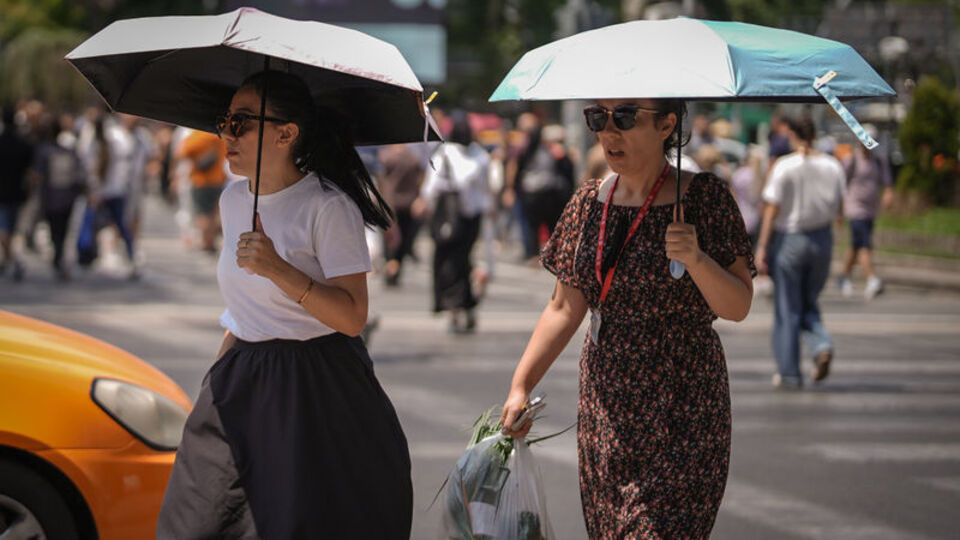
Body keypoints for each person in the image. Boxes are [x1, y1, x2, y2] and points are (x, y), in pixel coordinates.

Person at [157, 70, 412, 539]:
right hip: (240, 376)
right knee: (198, 519)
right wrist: (214, 380)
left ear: (286, 133)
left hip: (315, 384)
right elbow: (243, 312)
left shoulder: (327, 207)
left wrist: (278, 268)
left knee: (299, 522)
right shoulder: (233, 200)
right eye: (224, 122)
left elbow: (352, 317)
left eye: (240, 123)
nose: (226, 134)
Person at [500, 98, 755, 538]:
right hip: (606, 405)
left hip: (685, 406)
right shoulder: (587, 203)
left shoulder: (705, 199)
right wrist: (521, 385)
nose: (608, 132)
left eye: (625, 117)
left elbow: (738, 305)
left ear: (667, 125)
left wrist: (695, 259)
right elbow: (563, 307)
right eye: (598, 117)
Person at [755, 116, 845, 389]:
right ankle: (821, 344)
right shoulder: (832, 165)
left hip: (790, 239)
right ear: (815, 136)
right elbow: (840, 209)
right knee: (808, 302)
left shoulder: (785, 165)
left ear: (792, 136)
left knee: (787, 308)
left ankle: (789, 372)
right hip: (822, 238)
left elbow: (771, 208)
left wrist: (762, 246)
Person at [420, 110, 492, 333]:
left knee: (455, 262)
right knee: (457, 261)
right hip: (460, 217)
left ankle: (458, 304)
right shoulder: (476, 155)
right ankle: (461, 304)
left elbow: (431, 187)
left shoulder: (449, 153)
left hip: (456, 218)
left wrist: (427, 204)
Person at [837, 125, 894, 299]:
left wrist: (888, 194)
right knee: (864, 244)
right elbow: (841, 185)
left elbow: (887, 183)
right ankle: (872, 279)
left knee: (856, 245)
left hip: (870, 209)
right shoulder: (852, 160)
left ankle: (844, 277)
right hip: (854, 207)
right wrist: (839, 210)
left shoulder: (878, 161)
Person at [30, 116, 86, 280]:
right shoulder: (69, 151)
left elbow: (37, 175)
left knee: (55, 229)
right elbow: (79, 172)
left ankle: (59, 256)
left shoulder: (44, 151)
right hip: (67, 196)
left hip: (51, 197)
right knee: (63, 230)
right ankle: (59, 257)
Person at [377, 143, 425, 286]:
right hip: (407, 203)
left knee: (389, 237)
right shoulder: (413, 158)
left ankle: (390, 262)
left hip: (389, 202)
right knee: (403, 237)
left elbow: (380, 181)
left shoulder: (385, 156)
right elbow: (420, 179)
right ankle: (395, 264)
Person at [177, 128, 228, 253]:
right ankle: (211, 241)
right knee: (214, 213)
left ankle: (206, 241)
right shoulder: (220, 134)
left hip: (201, 180)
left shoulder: (199, 134)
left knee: (203, 213)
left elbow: (183, 151)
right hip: (218, 179)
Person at [0, 105, 35, 281]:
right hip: (16, 193)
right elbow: (30, 171)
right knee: (9, 230)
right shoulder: (23, 143)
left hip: (5, 193)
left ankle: (13, 261)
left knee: (5, 230)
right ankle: (11, 261)